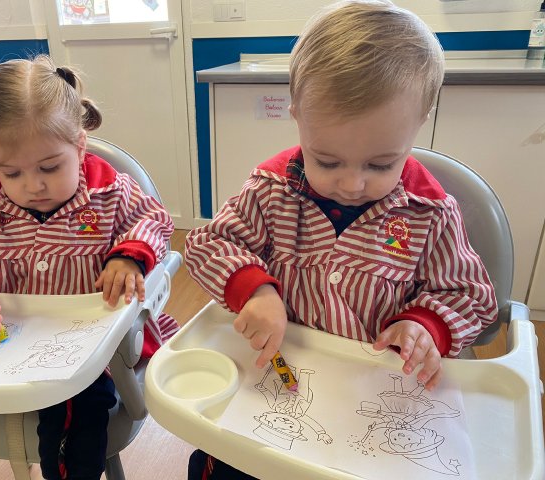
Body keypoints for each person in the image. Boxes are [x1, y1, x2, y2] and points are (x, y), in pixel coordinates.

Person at [184, 1, 497, 478]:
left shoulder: (430, 214)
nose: (352, 184)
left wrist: (425, 325)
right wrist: (257, 290)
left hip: (371, 403)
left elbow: (471, 296)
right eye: (327, 161)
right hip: (280, 378)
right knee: (222, 461)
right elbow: (208, 244)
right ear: (297, 115)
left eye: (380, 164)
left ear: (421, 121)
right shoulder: (270, 191)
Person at [0, 54, 177, 480]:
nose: (33, 185)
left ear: (80, 146)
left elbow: (153, 220)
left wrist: (128, 255)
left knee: (81, 417)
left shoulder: (111, 193)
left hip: (79, 352)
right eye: (11, 173)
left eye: (50, 167)